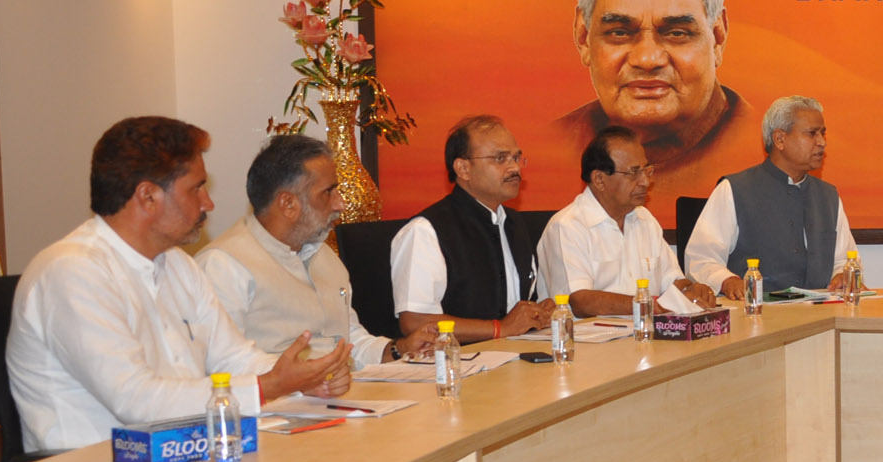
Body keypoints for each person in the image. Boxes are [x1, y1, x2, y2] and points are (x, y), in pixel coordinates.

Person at [7, 117, 353, 454]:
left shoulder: (177, 264)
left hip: (178, 459)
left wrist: (303, 380)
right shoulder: (73, 272)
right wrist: (269, 386)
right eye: (196, 188)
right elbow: (136, 401)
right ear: (147, 197)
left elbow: (233, 357)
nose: (208, 203)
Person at [554, 0, 756, 203]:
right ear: (584, 36)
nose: (648, 59)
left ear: (717, 37)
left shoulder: (758, 148)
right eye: (620, 32)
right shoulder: (553, 144)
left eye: (676, 33)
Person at [200, 133, 433, 369]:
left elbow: (349, 339)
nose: (340, 204)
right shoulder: (223, 265)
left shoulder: (323, 255)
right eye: (328, 192)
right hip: (279, 402)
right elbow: (223, 363)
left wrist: (397, 349)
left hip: (342, 395)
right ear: (288, 204)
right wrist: (310, 375)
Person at [390, 115, 553, 342]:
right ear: (463, 168)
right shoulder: (426, 231)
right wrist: (499, 328)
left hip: (515, 358)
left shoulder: (514, 225)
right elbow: (415, 321)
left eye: (516, 157)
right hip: (453, 365)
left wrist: (539, 313)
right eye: (500, 158)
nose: (514, 167)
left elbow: (517, 308)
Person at [538, 126, 721, 316]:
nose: (645, 182)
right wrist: (649, 305)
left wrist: (690, 290)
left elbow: (672, 280)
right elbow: (580, 302)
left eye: (646, 171)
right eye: (633, 173)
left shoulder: (645, 220)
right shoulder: (567, 227)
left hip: (643, 335)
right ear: (599, 179)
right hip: (583, 341)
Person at [686, 95, 856, 298]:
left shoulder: (828, 196)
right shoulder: (733, 189)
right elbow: (701, 259)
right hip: (755, 316)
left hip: (821, 315)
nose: (821, 142)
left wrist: (841, 275)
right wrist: (727, 281)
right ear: (780, 139)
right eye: (812, 134)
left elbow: (845, 260)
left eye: (822, 133)